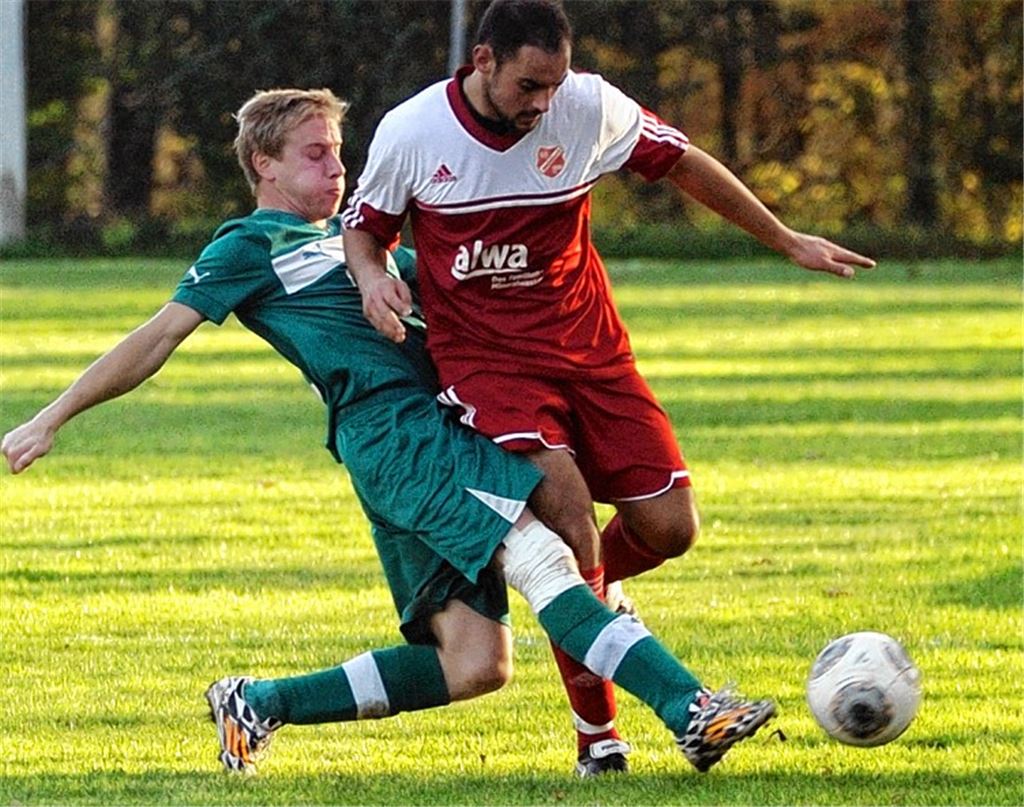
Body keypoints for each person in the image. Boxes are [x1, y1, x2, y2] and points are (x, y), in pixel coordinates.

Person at [2, 87, 775, 776]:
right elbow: (155, 338)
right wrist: (51, 415)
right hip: (396, 434)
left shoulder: (360, 237)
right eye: (315, 154)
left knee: (475, 663)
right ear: (264, 164)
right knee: (545, 555)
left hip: (431, 431)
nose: (335, 169)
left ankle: (258, 700)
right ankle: (690, 708)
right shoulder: (248, 245)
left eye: (339, 153)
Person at [342, 0, 875, 777]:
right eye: (529, 85)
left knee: (669, 527)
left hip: (593, 352)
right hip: (489, 363)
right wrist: (369, 278)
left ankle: (579, 600)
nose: (542, 104)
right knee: (565, 512)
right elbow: (366, 228)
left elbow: (684, 160)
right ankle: (601, 739)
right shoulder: (414, 132)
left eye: (554, 85)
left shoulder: (586, 106)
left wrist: (784, 238)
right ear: (483, 61)